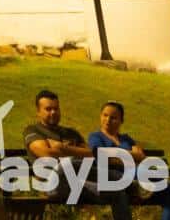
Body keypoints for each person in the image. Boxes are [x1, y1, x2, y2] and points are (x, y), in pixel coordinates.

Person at [88, 101, 170, 220]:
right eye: (105, 115)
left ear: (121, 121)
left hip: (139, 180)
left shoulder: (126, 139)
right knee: (152, 177)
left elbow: (141, 157)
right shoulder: (96, 137)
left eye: (113, 117)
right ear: (100, 116)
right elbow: (102, 156)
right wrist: (129, 157)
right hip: (116, 179)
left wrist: (120, 156)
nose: (108, 120)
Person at [23, 89, 132, 219]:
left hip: (78, 182)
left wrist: (62, 148)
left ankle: (120, 179)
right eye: (48, 109)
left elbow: (92, 155)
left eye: (56, 109)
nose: (53, 112)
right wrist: (73, 152)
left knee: (117, 192)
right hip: (54, 182)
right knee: (67, 164)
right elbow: (46, 154)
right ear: (38, 112)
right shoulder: (33, 130)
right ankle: (120, 177)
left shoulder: (71, 133)